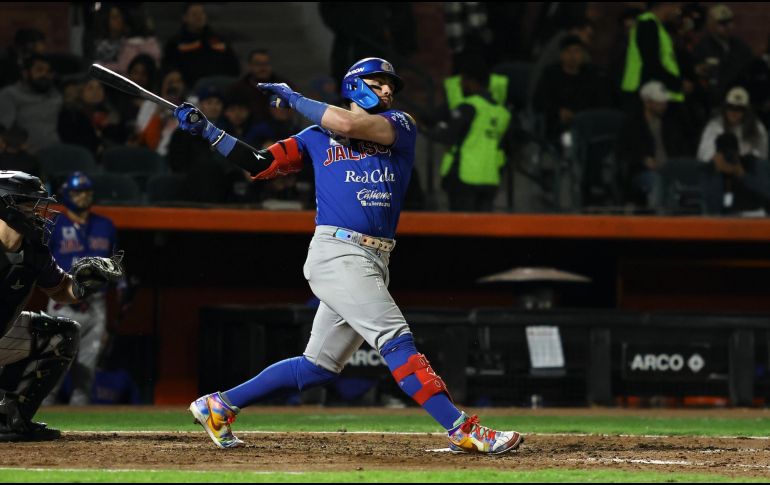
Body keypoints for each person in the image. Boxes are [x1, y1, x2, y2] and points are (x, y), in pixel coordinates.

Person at [174, 57, 523, 454]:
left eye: (390, 85)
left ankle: (219, 405)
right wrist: (209, 131)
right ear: (355, 85)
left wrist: (294, 97)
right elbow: (261, 165)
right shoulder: (314, 136)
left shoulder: (400, 125)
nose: (388, 90)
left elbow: (348, 125)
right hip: (338, 253)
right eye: (379, 83)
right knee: (396, 338)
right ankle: (461, 428)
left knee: (317, 368)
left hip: (374, 258)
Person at [0, 171, 117, 440]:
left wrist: (82, 284)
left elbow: (60, 289)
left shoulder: (33, 248)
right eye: (30, 205)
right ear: (5, 206)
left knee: (61, 335)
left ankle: (9, 420)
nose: (39, 213)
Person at [43, 172, 121, 405]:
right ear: (67, 194)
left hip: (95, 305)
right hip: (62, 299)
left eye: (86, 191)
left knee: (87, 368)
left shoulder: (105, 225)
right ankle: (37, 417)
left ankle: (80, 434)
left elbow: (116, 264)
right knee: (52, 365)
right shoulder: (55, 224)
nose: (83, 196)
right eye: (77, 192)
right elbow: (42, 261)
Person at [433, 57, 512, 212]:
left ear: (472, 81)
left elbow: (447, 136)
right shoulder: (503, 113)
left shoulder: (469, 106)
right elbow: (509, 148)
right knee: (482, 231)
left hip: (464, 177)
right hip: (490, 179)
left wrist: (420, 129)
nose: (461, 85)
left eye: (463, 80)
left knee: (460, 230)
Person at [616, 81, 693, 209]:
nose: (664, 105)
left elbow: (681, 148)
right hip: (642, 173)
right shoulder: (632, 124)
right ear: (647, 102)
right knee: (657, 181)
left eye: (665, 102)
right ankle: (658, 218)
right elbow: (622, 152)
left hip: (670, 170)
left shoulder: (670, 123)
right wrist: (643, 160)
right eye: (660, 102)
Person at [697, 87, 770, 214]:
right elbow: (703, 153)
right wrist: (721, 162)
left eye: (739, 109)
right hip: (719, 166)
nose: (734, 112)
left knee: (761, 167)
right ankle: (716, 217)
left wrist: (739, 168)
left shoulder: (756, 127)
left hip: (744, 167)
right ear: (725, 108)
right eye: (731, 107)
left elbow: (762, 154)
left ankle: (763, 210)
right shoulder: (715, 125)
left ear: (746, 110)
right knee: (714, 175)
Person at [162, 3, 240, 87]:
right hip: (190, 89)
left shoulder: (219, 40)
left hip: (220, 88)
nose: (199, 17)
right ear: (184, 17)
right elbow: (168, 66)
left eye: (202, 13)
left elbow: (234, 67)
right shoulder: (175, 43)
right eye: (194, 14)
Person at [692, 4, 754, 112]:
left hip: (738, 101)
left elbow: (749, 68)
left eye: (729, 22)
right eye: (722, 23)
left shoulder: (740, 46)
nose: (727, 26)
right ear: (711, 24)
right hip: (711, 103)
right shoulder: (702, 48)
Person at [0, 54, 62, 153]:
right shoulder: (10, 94)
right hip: (25, 154)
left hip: (56, 150)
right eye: (39, 70)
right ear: (25, 73)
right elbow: (4, 129)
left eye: (48, 72)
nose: (45, 75)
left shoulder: (56, 95)